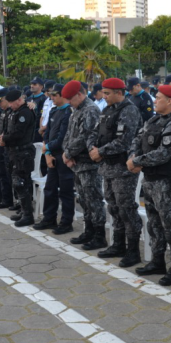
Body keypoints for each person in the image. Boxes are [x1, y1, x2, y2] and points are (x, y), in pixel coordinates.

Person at [127, 84, 171, 285]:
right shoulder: (154, 120)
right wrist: (134, 156)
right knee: (154, 224)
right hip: (150, 180)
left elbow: (164, 153)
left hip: (166, 182)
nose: (155, 100)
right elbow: (138, 139)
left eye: (159, 98)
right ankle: (157, 260)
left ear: (170, 101)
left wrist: (137, 162)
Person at [90, 78, 144, 267]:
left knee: (126, 208)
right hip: (107, 167)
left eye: (107, 93)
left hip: (122, 168)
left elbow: (124, 142)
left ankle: (133, 250)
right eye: (103, 93)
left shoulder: (128, 110)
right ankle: (119, 244)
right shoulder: (107, 110)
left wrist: (100, 152)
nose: (103, 96)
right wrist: (92, 148)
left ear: (119, 92)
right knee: (113, 206)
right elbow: (95, 133)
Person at [61, 80, 106, 249]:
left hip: (88, 165)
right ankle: (89, 231)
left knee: (94, 200)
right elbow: (68, 134)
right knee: (84, 200)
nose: (69, 103)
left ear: (80, 94)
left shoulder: (91, 110)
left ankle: (99, 235)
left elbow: (84, 136)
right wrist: (66, 152)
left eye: (71, 99)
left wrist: (69, 153)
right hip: (77, 163)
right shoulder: (77, 110)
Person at [36, 83, 75, 233]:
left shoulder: (68, 112)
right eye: (51, 95)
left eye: (55, 95)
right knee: (50, 189)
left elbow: (62, 138)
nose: (51, 97)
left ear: (63, 96)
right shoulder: (53, 111)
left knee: (66, 191)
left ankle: (66, 222)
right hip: (51, 154)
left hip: (63, 155)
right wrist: (47, 153)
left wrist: (48, 148)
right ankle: (49, 218)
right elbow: (47, 134)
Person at [0, 90, 36, 226]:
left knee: (21, 183)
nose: (10, 106)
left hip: (23, 152)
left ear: (19, 100)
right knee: (18, 182)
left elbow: (18, 133)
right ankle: (24, 209)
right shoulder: (15, 111)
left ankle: (28, 215)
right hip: (14, 152)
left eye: (12, 103)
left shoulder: (25, 112)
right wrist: (2, 138)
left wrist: (4, 139)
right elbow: (7, 129)